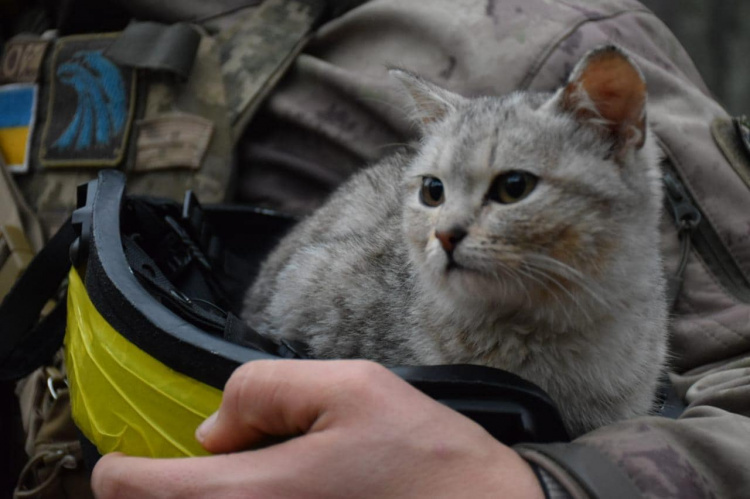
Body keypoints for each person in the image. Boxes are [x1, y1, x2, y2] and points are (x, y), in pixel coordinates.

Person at [26, 0, 750, 497]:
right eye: (432, 194)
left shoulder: (544, 35)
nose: (449, 229)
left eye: (512, 187)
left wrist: (533, 486)